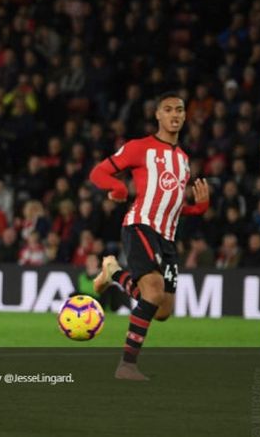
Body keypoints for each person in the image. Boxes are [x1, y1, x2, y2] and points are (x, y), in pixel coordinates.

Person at [88, 92, 210, 381]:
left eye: (179, 110)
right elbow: (98, 173)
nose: (175, 114)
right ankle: (126, 365)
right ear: (158, 115)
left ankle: (114, 273)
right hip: (140, 225)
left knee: (162, 310)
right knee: (153, 293)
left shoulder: (183, 159)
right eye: (168, 110)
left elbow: (173, 206)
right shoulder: (139, 147)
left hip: (166, 238)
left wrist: (198, 208)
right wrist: (117, 189)